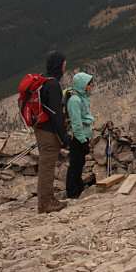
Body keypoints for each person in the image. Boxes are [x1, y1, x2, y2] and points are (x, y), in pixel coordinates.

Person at [34, 50, 70, 213]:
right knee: (47, 166)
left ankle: (47, 199)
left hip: (41, 128)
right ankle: (45, 203)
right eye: (64, 64)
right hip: (49, 131)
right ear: (60, 65)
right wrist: (64, 136)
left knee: (45, 164)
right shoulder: (53, 84)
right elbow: (56, 114)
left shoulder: (43, 80)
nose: (64, 67)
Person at [65, 72, 94, 199]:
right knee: (75, 162)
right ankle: (72, 191)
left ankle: (78, 186)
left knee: (80, 162)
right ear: (83, 85)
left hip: (81, 135)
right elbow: (76, 123)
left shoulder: (81, 98)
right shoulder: (75, 101)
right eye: (88, 83)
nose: (91, 85)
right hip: (77, 137)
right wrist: (82, 141)